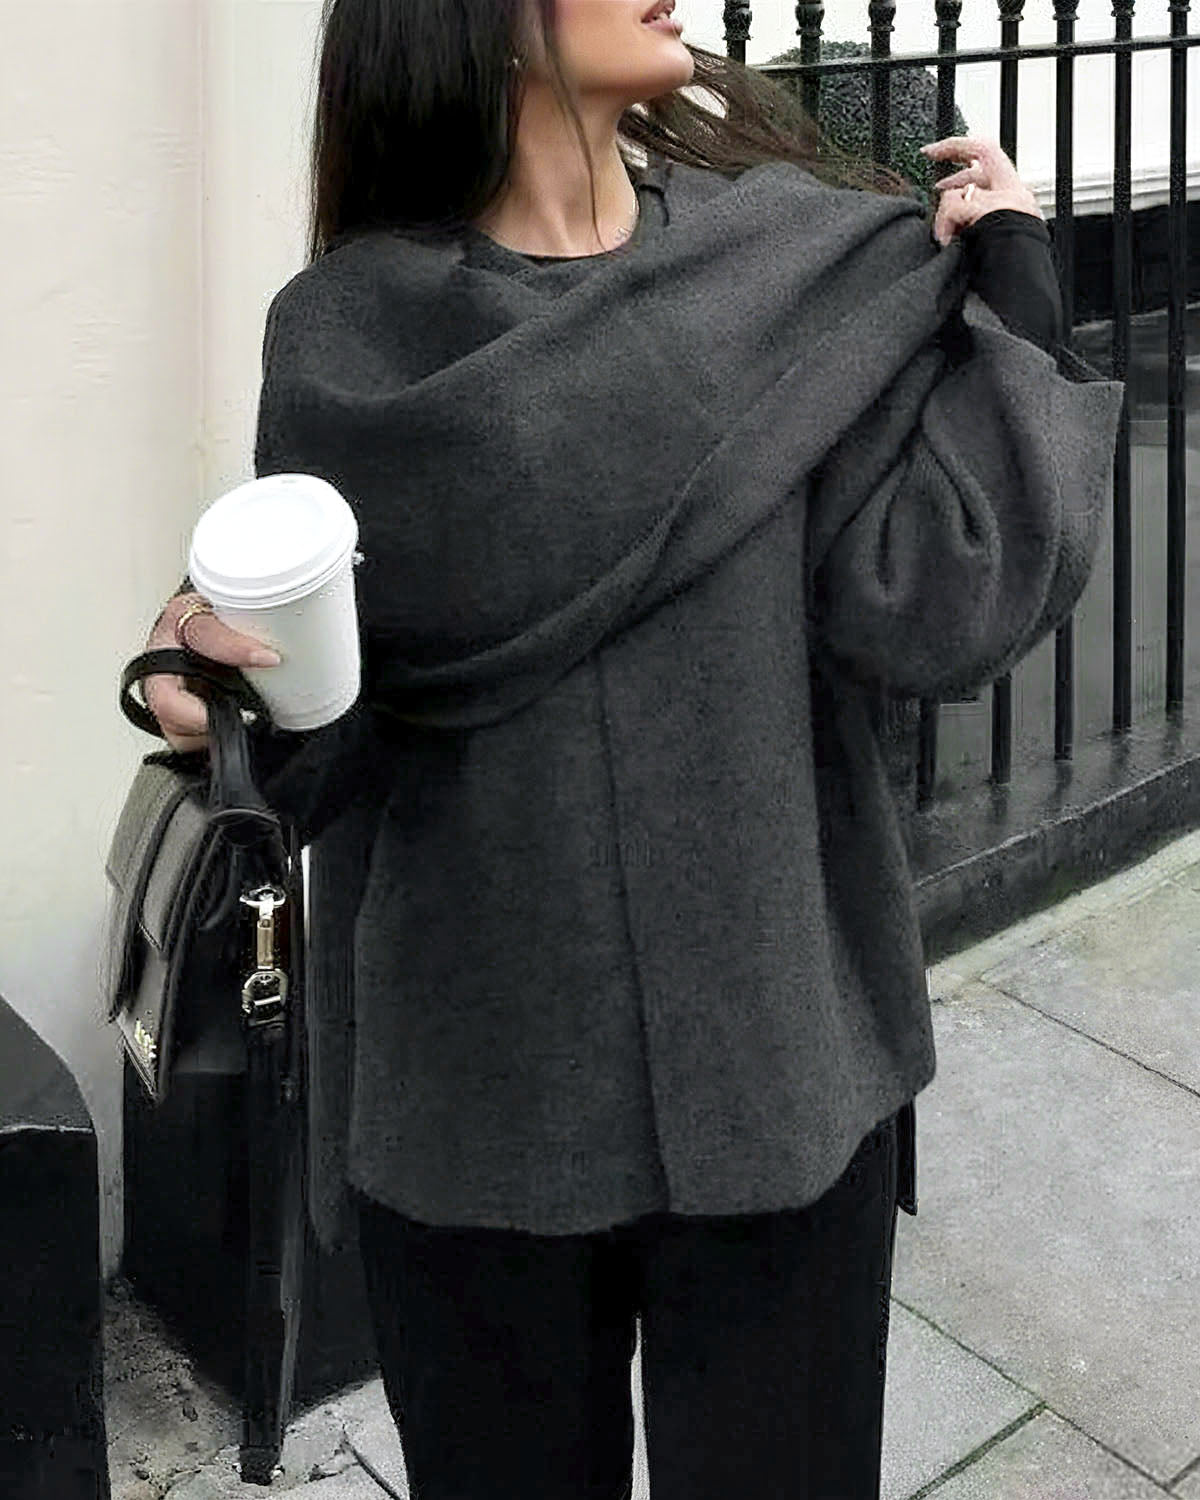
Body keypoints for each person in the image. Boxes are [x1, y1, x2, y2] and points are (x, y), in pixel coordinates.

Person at [136, 3, 1124, 1497]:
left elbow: (933, 609)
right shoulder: (354, 340)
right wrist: (221, 701)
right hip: (478, 1106)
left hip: (779, 1072)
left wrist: (1019, 293)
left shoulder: (784, 269)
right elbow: (336, 747)